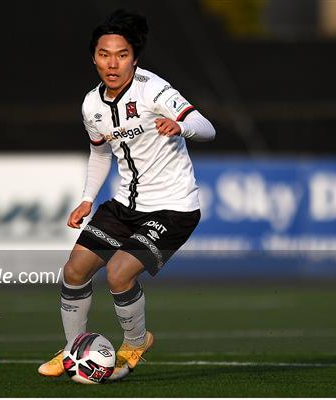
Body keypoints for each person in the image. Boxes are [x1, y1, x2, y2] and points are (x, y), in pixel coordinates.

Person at [38, 9, 215, 380]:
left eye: (121, 55)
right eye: (104, 54)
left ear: (134, 58)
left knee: (118, 275)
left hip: (173, 208)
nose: (112, 63)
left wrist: (181, 126)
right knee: (74, 270)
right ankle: (73, 352)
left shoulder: (154, 89)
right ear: (94, 58)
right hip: (123, 205)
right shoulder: (91, 105)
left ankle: (135, 341)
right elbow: (100, 152)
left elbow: (206, 127)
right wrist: (87, 198)